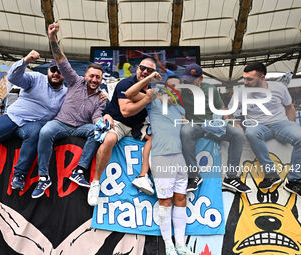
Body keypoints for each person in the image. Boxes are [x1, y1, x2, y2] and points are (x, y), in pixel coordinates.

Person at [0, 50, 67, 196]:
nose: (56, 73)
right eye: (53, 69)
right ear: (48, 70)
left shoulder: (67, 93)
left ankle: (19, 175)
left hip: (33, 125)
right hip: (13, 117)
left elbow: (82, 101)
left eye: (60, 71)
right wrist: (26, 60)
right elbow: (13, 77)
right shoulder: (36, 78)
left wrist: (100, 96)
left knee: (36, 132)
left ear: (65, 75)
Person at [31, 23, 107, 199]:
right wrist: (52, 38)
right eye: (92, 75)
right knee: (45, 131)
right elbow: (61, 60)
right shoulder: (74, 80)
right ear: (86, 75)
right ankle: (43, 177)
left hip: (81, 126)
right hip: (61, 123)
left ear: (101, 80)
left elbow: (96, 118)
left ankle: (79, 170)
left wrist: (101, 124)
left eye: (98, 77)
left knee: (97, 132)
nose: (94, 79)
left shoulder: (100, 97)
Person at [126, 74, 190, 255]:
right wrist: (150, 81)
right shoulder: (153, 102)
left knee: (180, 200)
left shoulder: (179, 110)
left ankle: (181, 246)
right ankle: (169, 245)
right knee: (165, 201)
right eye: (170, 88)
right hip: (162, 157)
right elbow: (130, 93)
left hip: (179, 157)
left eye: (176, 89)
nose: (173, 92)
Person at [87, 58, 157, 206]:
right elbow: (125, 111)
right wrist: (147, 99)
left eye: (149, 70)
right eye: (142, 68)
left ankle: (143, 176)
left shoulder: (151, 89)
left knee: (157, 138)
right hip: (118, 122)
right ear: (137, 68)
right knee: (110, 139)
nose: (145, 72)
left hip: (137, 127)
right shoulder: (125, 83)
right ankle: (95, 183)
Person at [180, 63, 251, 193]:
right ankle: (193, 175)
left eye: (191, 80)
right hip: (194, 125)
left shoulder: (210, 89)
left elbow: (222, 109)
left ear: (200, 79)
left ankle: (231, 177)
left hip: (212, 124)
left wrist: (233, 123)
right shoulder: (181, 91)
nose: (188, 83)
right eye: (186, 80)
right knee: (185, 131)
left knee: (237, 134)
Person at [236, 62, 301, 194]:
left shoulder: (279, 88)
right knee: (251, 133)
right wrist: (237, 126)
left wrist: (293, 125)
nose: (246, 82)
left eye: (250, 79)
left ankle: (294, 181)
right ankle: (271, 174)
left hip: (280, 123)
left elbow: (289, 108)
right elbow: (229, 112)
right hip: (258, 126)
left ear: (262, 77)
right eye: (244, 78)